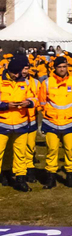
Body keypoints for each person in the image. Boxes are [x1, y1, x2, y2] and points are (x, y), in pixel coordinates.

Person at [37, 55, 72, 188]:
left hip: (70, 122)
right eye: (59, 67)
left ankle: (70, 176)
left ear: (67, 67)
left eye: (64, 66)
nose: (62, 69)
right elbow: (42, 102)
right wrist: (49, 114)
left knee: (70, 150)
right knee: (51, 150)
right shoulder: (47, 82)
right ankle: (51, 178)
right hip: (51, 122)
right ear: (54, 68)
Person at [0, 55, 38, 192]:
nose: (17, 75)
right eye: (14, 72)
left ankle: (21, 179)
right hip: (2, 125)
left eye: (19, 72)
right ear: (9, 70)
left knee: (20, 154)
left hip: (21, 124)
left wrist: (29, 102)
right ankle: (4, 174)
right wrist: (5, 105)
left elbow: (35, 98)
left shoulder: (25, 83)